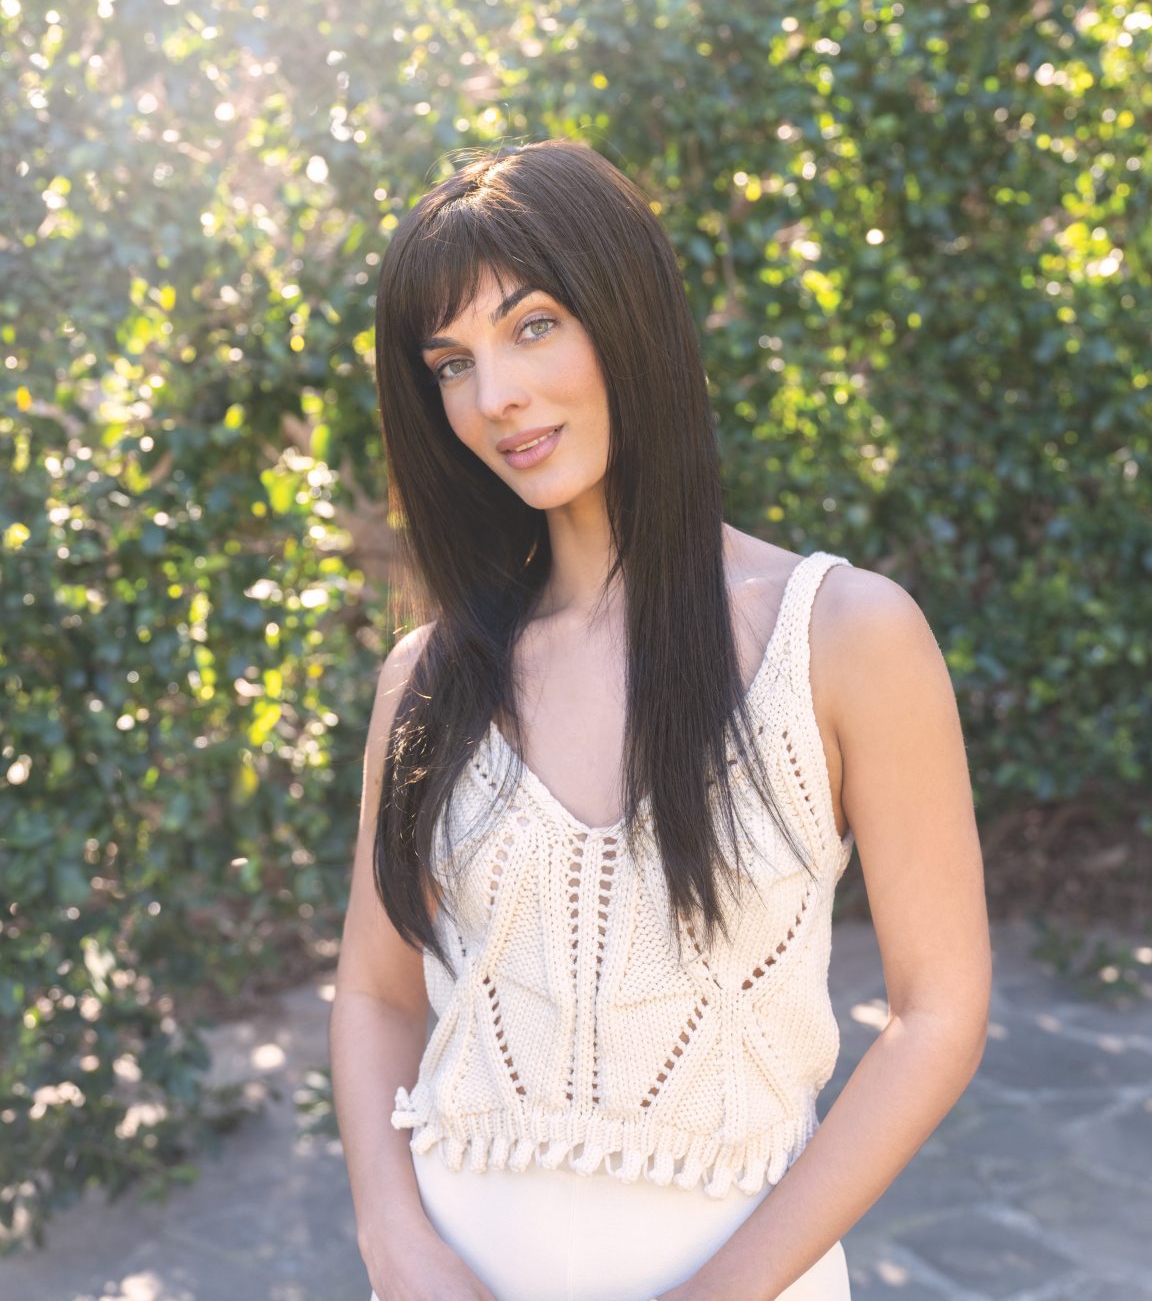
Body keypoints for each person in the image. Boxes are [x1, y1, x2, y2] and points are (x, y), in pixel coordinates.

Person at [329, 139, 992, 1301]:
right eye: (452, 363)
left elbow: (937, 1014)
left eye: (534, 326)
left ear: (628, 313)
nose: (494, 397)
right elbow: (380, 995)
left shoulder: (841, 636)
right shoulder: (428, 679)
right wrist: (395, 1242)